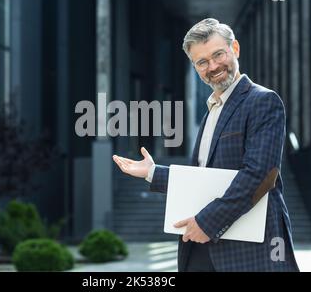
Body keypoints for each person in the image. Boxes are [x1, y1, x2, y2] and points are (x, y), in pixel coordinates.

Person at [113, 18, 299, 272]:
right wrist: (153, 172)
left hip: (248, 252)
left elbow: (261, 175)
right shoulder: (212, 111)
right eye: (202, 62)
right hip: (202, 250)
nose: (212, 66)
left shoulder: (263, 101)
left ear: (235, 49)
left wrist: (208, 223)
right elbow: (206, 178)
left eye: (218, 54)